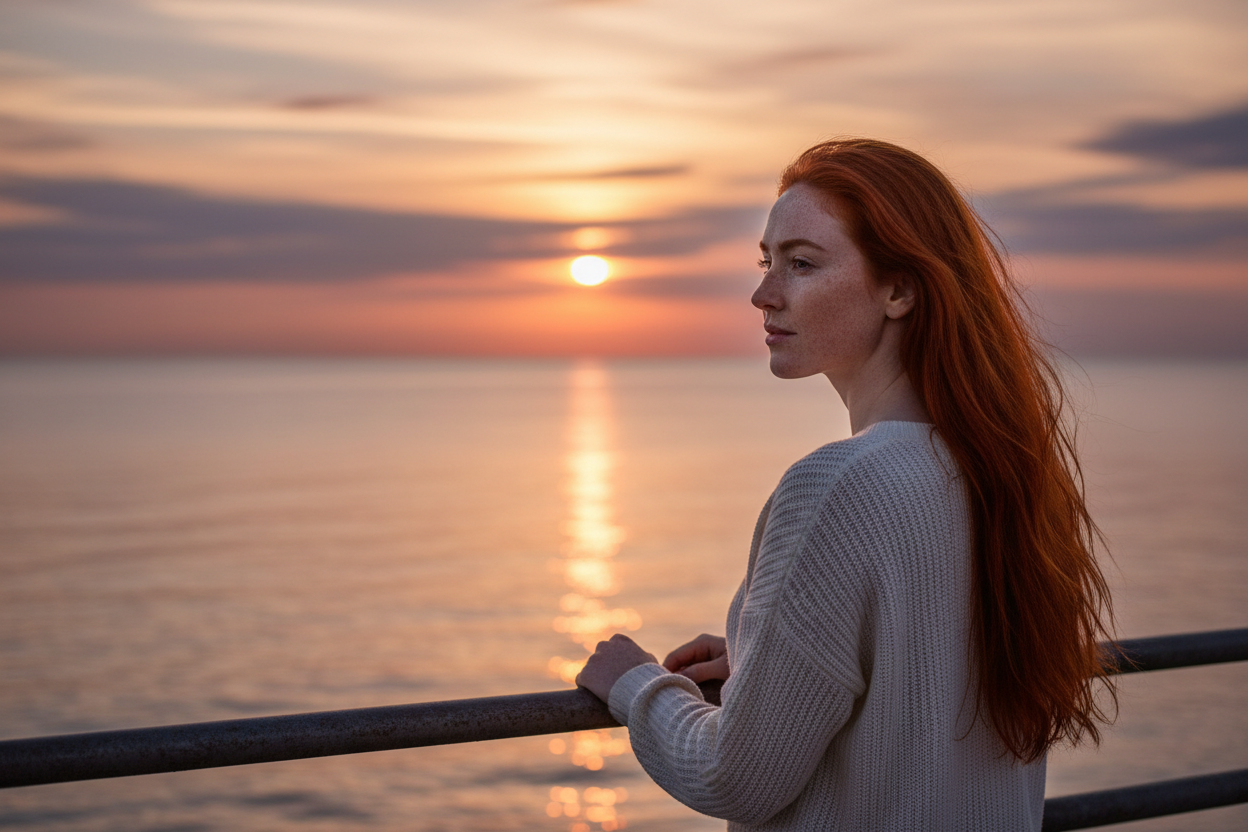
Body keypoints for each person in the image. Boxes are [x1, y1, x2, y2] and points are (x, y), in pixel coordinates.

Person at [575, 138, 1116, 830]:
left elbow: (732, 778)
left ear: (900, 288)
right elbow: (921, 683)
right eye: (767, 261)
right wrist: (765, 657)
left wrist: (635, 683)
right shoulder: (998, 469)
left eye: (802, 264)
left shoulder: (837, 486)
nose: (762, 293)